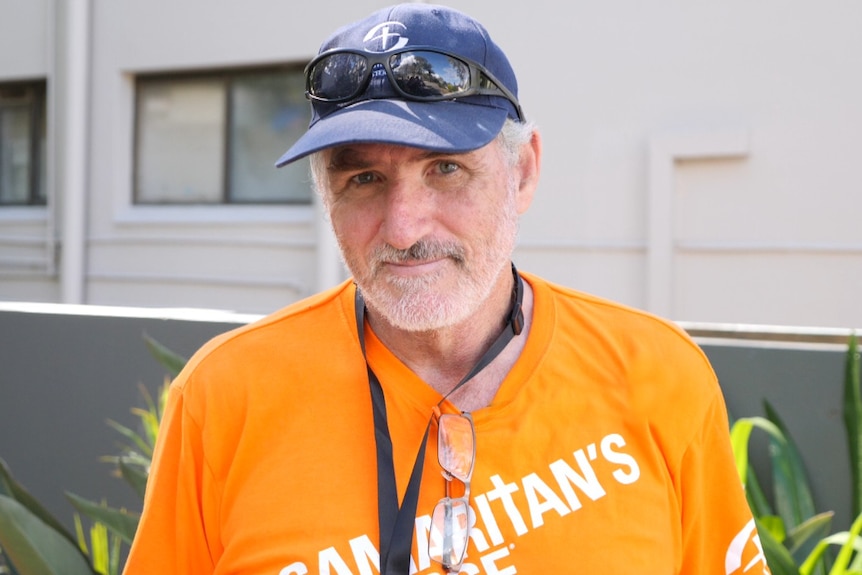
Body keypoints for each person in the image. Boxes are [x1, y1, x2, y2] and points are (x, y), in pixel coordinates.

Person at [123, 4, 770, 575]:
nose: (403, 229)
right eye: (365, 180)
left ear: (523, 172)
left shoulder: (658, 374)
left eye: (446, 168)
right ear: (326, 196)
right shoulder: (222, 399)